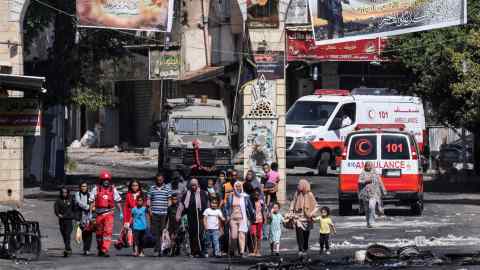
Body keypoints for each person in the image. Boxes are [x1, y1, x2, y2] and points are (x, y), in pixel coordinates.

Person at [89, 170, 123, 257]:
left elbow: (118, 201)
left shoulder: (113, 189)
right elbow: (92, 201)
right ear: (101, 180)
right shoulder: (96, 189)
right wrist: (90, 213)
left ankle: (105, 249)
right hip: (98, 213)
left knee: (107, 232)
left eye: (107, 180)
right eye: (104, 180)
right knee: (99, 233)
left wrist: (121, 212)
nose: (106, 181)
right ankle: (100, 248)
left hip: (109, 213)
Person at [177, 178, 209, 258]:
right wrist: (178, 215)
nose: (193, 187)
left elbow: (207, 204)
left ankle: (200, 251)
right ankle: (194, 251)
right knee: (192, 234)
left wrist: (209, 214)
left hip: (200, 215)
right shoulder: (187, 194)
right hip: (190, 215)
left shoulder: (203, 193)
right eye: (192, 185)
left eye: (195, 185)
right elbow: (181, 205)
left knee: (199, 234)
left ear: (197, 184)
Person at [224, 181, 255, 257]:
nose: (238, 188)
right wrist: (227, 215)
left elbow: (250, 208)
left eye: (239, 186)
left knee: (242, 235)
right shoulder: (231, 196)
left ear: (242, 187)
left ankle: (241, 252)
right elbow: (226, 207)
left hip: (242, 218)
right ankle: (234, 251)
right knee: (233, 236)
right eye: (236, 186)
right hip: (233, 219)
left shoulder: (245, 196)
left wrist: (251, 217)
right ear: (234, 187)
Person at [289, 179, 318, 256]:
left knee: (306, 234)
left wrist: (311, 214)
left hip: (307, 218)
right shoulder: (297, 193)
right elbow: (293, 202)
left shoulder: (310, 194)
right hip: (298, 217)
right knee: (299, 233)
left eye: (300, 185)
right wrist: (291, 210)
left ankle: (305, 248)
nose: (298, 186)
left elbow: (316, 206)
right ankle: (300, 249)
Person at [148, 173, 173, 256]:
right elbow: (149, 199)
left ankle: (163, 249)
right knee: (156, 232)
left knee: (163, 231)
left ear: (163, 180)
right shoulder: (152, 188)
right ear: (156, 180)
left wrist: (169, 209)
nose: (159, 181)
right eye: (158, 180)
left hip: (164, 213)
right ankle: (157, 250)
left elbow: (169, 200)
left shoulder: (167, 188)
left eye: (161, 180)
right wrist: (149, 209)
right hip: (154, 213)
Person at [358, 162, 387, 228]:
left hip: (374, 193)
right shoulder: (363, 173)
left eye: (370, 165)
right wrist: (366, 181)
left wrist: (383, 190)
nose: (368, 167)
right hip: (365, 194)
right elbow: (359, 181)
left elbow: (380, 182)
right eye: (367, 166)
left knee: (372, 207)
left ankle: (371, 221)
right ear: (365, 166)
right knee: (366, 209)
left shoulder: (375, 173)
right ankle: (368, 222)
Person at [54, 187, 76, 257]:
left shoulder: (71, 199)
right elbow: (56, 209)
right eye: (63, 192)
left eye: (66, 192)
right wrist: (58, 214)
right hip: (62, 220)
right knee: (64, 235)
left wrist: (73, 215)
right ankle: (68, 248)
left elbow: (74, 208)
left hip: (69, 220)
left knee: (67, 234)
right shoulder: (58, 200)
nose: (64, 194)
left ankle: (66, 249)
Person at [74, 181, 94, 256]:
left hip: (88, 215)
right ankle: (85, 248)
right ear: (80, 187)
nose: (84, 188)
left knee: (89, 232)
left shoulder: (90, 194)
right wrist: (88, 207)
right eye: (82, 186)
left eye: (85, 186)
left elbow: (93, 202)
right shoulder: (77, 194)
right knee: (82, 232)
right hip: (80, 215)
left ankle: (87, 249)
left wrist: (91, 210)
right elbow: (79, 202)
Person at [249, 190, 265, 257]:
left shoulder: (261, 202)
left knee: (258, 236)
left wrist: (265, 218)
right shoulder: (251, 202)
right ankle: (254, 250)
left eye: (257, 195)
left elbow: (263, 210)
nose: (256, 196)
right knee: (253, 234)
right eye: (255, 194)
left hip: (260, 220)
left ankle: (258, 250)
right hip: (253, 220)